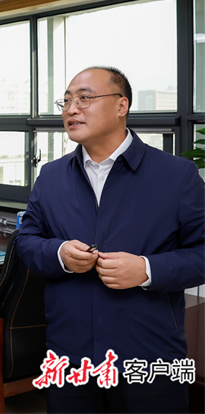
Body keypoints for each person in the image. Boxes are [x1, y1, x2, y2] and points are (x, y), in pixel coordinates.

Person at [15, 66, 204, 413]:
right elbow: (26, 239)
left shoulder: (177, 175)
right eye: (66, 101)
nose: (71, 109)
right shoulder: (51, 176)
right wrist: (59, 253)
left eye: (84, 98)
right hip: (69, 353)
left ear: (121, 105)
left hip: (148, 353)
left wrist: (147, 269)